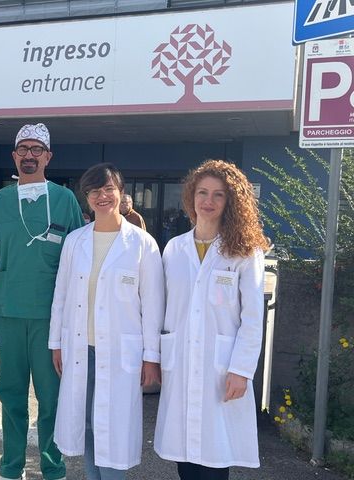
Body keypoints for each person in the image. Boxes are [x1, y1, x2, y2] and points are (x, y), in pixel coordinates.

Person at [153, 160, 269, 480]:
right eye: (202, 192)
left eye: (219, 194)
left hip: (222, 367)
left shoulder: (245, 252)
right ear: (191, 196)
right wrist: (156, 356)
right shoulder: (174, 249)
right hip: (181, 361)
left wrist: (241, 370)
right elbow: (162, 308)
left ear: (231, 201)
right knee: (183, 456)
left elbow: (252, 317)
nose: (208, 201)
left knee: (216, 453)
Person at [49, 163, 164, 480]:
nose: (102, 196)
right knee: (87, 424)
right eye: (94, 191)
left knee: (112, 427)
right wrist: (56, 343)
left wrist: (151, 357)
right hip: (80, 349)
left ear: (121, 193)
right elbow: (61, 294)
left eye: (108, 189)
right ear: (86, 197)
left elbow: (153, 306)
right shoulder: (75, 241)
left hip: (120, 352)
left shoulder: (142, 244)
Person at [0, 123, 84, 480]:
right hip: (9, 310)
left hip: (50, 316)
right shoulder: (0, 201)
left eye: (36, 149)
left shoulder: (65, 200)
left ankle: (53, 469)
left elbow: (78, 257)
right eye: (23, 149)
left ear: (48, 156)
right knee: (11, 395)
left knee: (50, 397)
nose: (29, 155)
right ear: (14, 156)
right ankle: (11, 468)